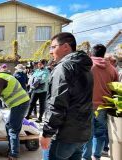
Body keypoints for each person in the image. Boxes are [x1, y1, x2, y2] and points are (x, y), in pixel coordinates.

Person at [40, 32, 94, 160]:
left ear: (65, 47)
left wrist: (47, 133)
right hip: (81, 134)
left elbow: (57, 103)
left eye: (53, 47)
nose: (50, 52)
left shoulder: (64, 67)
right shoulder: (85, 67)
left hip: (64, 136)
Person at [0, 63, 30, 160]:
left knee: (13, 129)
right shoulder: (4, 75)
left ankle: (13, 155)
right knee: (8, 126)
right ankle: (11, 150)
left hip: (19, 104)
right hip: (20, 103)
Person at [82, 44, 118, 160]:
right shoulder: (112, 69)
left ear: (91, 53)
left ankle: (85, 157)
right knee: (100, 133)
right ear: (104, 53)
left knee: (87, 133)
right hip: (104, 106)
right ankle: (96, 156)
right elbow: (115, 89)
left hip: (87, 105)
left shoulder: (86, 66)